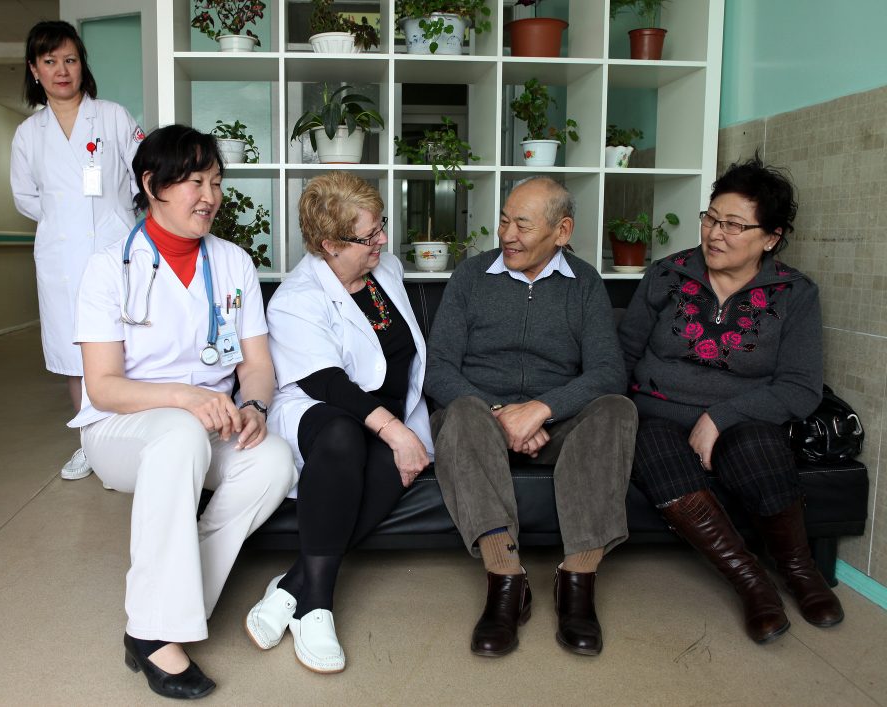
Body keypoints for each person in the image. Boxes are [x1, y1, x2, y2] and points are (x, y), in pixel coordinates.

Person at [71, 124, 296, 699]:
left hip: (210, 424)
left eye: (216, 182)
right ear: (151, 184)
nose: (209, 196)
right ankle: (155, 636)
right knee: (178, 435)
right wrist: (185, 397)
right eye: (194, 181)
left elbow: (257, 365)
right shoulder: (108, 268)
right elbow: (102, 388)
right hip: (126, 430)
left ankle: (158, 614)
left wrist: (253, 406)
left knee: (272, 462)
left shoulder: (233, 263)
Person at [619, 155, 843, 644]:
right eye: (711, 219)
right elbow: (622, 357)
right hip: (655, 411)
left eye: (734, 225)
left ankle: (800, 571)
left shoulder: (795, 294)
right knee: (650, 443)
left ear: (771, 237)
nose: (715, 234)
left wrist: (719, 417)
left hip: (743, 419)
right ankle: (751, 581)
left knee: (758, 447)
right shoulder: (665, 275)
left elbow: (801, 387)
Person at [424, 176, 637, 658]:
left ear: (562, 231)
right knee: (458, 412)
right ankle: (507, 581)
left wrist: (543, 409)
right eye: (503, 220)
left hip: (556, 421)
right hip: (480, 416)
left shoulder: (584, 283)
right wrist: (502, 414)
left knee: (616, 410)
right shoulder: (471, 276)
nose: (507, 234)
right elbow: (439, 369)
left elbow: (608, 370)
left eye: (522, 224)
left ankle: (578, 579)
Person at [245, 172, 433, 674]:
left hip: (391, 410)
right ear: (329, 244)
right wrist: (397, 433)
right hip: (320, 411)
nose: (383, 242)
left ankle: (291, 584)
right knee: (342, 435)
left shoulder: (384, 270)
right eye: (370, 236)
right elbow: (331, 384)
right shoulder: (297, 298)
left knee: (388, 467)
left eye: (381, 229)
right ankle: (317, 604)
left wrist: (401, 427)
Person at [11, 20, 144, 480]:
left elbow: (140, 176)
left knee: (129, 343)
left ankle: (138, 435)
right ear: (34, 70)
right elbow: (25, 198)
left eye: (69, 59)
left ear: (81, 65)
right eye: (49, 61)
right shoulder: (29, 134)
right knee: (76, 351)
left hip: (114, 247)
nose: (61, 70)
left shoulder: (112, 116)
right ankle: (89, 443)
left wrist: (111, 220)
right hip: (62, 256)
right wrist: (63, 223)